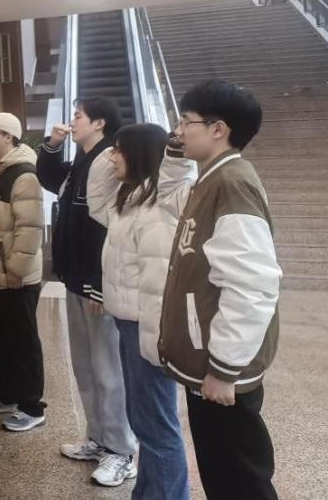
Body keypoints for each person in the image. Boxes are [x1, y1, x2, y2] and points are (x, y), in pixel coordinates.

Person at [157, 81, 281, 500]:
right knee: (221, 472)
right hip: (208, 361)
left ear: (217, 129)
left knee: (239, 479)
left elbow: (252, 285)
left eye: (185, 122)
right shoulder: (210, 178)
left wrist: (225, 368)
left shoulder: (232, 183)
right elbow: (168, 199)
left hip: (222, 369)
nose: (178, 130)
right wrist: (175, 154)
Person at [37, 96, 138, 488]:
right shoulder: (84, 160)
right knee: (85, 363)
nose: (72, 121)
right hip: (76, 278)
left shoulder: (110, 160)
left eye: (78, 116)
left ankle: (122, 451)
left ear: (99, 123)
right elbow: (51, 179)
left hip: (98, 284)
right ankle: (98, 438)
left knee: (108, 368)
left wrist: (101, 283)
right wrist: (51, 144)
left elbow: (110, 226)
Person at [88, 124, 191, 500]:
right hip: (130, 323)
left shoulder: (157, 208)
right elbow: (95, 200)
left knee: (158, 427)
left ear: (141, 155)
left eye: (119, 150)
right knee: (146, 421)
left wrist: (156, 341)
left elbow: (159, 282)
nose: (112, 157)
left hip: (148, 328)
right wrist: (110, 151)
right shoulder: (131, 198)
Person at [0, 112, 47, 433]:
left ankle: (31, 405)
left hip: (17, 276)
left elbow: (30, 228)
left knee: (23, 340)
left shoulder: (23, 175)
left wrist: (16, 268)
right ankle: (9, 393)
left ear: (9, 137)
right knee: (4, 338)